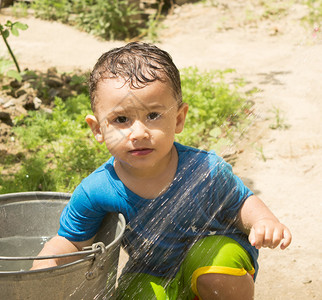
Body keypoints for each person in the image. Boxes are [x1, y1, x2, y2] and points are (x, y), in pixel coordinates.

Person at [31, 42, 292, 299]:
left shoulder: (203, 170)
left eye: (153, 115)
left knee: (212, 264)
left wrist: (263, 221)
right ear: (98, 129)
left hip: (216, 261)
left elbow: (241, 202)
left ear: (178, 119)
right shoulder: (96, 190)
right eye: (121, 120)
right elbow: (72, 241)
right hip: (152, 273)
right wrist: (46, 261)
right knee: (133, 294)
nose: (139, 133)